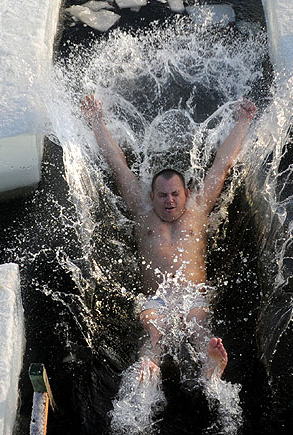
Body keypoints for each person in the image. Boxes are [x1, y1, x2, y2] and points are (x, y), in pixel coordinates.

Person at [81, 94, 257, 383]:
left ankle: (210, 364)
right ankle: (149, 365)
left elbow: (222, 165)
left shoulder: (197, 210)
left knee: (199, 326)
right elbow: (118, 164)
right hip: (157, 299)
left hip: (192, 296)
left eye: (175, 194)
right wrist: (96, 120)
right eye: (162, 196)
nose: (170, 201)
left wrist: (243, 121)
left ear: (186, 194)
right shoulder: (142, 211)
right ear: (152, 197)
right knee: (154, 331)